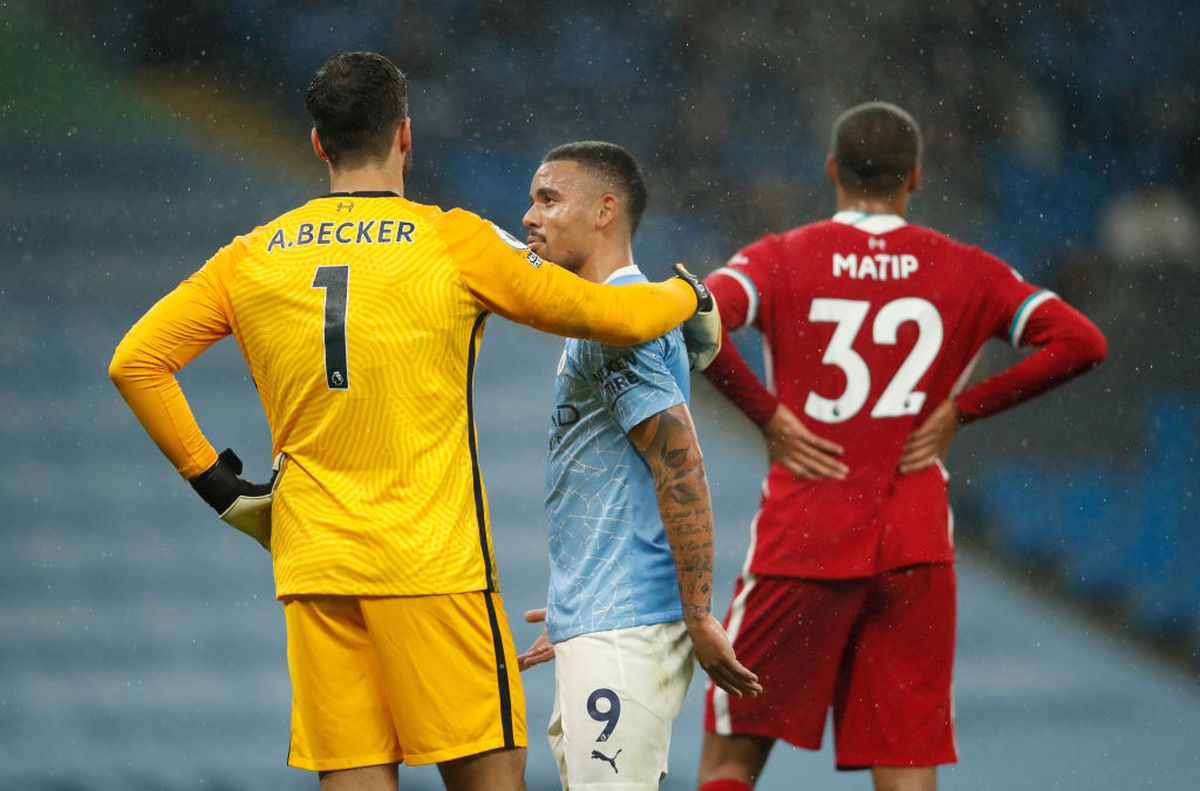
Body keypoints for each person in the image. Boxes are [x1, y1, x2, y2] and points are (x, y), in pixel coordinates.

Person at [108, 52, 716, 791]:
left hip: (316, 563)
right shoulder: (453, 241)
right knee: (488, 777)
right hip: (434, 563)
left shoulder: (249, 257)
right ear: (404, 136)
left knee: (355, 776)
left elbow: (135, 362)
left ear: (317, 143)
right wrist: (690, 296)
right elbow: (611, 314)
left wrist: (226, 491)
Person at [694, 102, 1107, 791]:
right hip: (913, 546)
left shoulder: (778, 258)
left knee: (732, 758)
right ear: (915, 176)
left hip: (806, 536)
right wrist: (962, 410)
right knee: (906, 762)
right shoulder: (969, 269)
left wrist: (764, 415)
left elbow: (696, 316)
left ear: (832, 169)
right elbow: (1081, 341)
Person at [513, 141, 762, 789]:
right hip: (598, 618)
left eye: (547, 198)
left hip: (626, 629)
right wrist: (577, 603)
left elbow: (681, 464)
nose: (529, 216)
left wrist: (698, 611)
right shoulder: (599, 316)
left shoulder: (627, 321)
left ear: (604, 210)